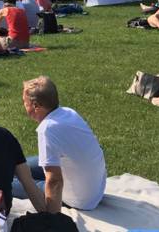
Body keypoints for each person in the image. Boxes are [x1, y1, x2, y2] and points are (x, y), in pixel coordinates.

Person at [13, 76, 106, 212]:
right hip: (96, 189)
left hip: (79, 199)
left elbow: (54, 180)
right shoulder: (69, 112)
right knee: (18, 166)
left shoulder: (47, 129)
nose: (23, 105)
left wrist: (52, 220)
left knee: (10, 181)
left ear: (36, 106)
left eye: (24, 102)